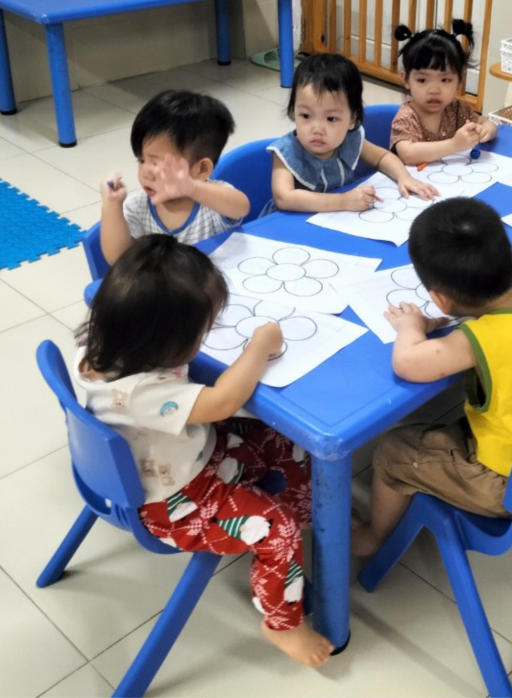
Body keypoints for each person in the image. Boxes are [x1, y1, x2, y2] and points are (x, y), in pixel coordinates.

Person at [73, 235, 333, 668]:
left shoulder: (106, 342)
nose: (207, 336)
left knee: (286, 443)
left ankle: (313, 516)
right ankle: (282, 624)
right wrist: (259, 347)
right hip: (175, 502)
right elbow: (223, 402)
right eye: (203, 330)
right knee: (279, 531)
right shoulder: (140, 393)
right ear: (164, 341)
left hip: (189, 455)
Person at [351, 198, 512, 556]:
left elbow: (407, 363)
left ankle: (372, 537)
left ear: (440, 300)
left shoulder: (477, 339)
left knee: (393, 451)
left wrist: (411, 325)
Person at [268, 53, 439, 213]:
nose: (317, 129)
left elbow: (382, 157)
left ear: (352, 119)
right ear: (293, 112)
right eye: (306, 116)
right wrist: (343, 201)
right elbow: (284, 198)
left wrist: (404, 177)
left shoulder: (350, 138)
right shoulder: (286, 152)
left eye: (331, 119)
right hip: (287, 225)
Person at [100, 90, 249, 265]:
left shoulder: (212, 201)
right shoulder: (138, 208)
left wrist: (191, 187)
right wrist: (111, 205)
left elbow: (241, 208)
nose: (146, 172)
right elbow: (118, 259)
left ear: (201, 169)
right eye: (141, 160)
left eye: (157, 164)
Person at [388, 21, 498, 165]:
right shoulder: (406, 117)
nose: (434, 90)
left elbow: (485, 122)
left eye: (445, 80)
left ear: (459, 81)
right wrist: (454, 145)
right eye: (422, 80)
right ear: (406, 80)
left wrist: (485, 131)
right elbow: (407, 154)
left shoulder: (457, 109)